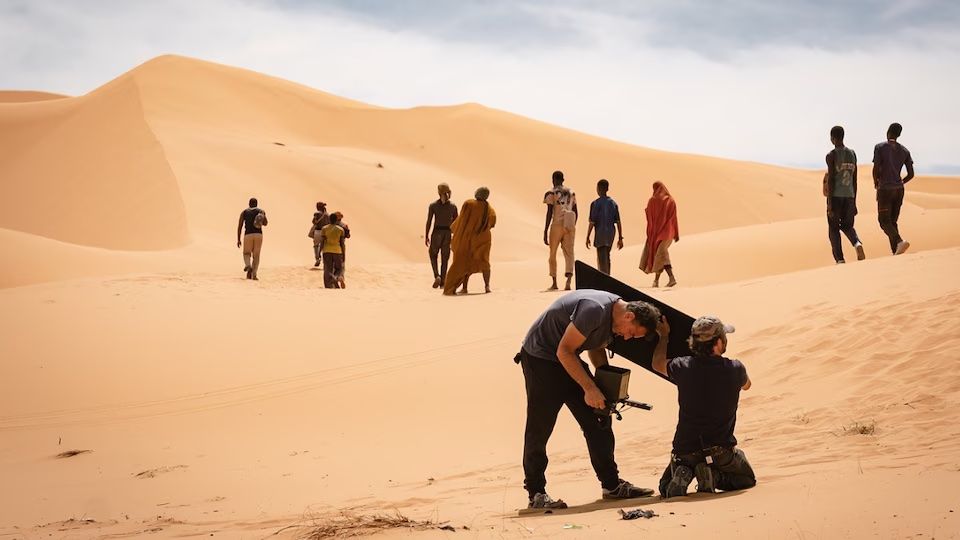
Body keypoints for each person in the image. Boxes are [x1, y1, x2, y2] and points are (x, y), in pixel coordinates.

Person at [516, 290, 661, 509]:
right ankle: (536, 493)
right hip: (541, 359)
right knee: (540, 427)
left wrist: (604, 383)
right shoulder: (595, 309)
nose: (627, 337)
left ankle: (611, 486)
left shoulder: (614, 316)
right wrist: (589, 387)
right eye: (631, 332)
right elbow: (563, 351)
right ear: (629, 316)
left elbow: (596, 345)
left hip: (567, 359)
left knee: (599, 418)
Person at [652, 315, 756, 498]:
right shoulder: (735, 368)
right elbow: (747, 385)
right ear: (717, 343)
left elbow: (658, 364)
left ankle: (686, 470)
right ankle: (713, 476)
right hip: (720, 450)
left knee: (664, 487)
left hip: (685, 450)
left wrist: (664, 337)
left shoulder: (682, 366)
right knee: (745, 479)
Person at [823, 126, 865, 264]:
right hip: (849, 195)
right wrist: (854, 201)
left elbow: (831, 179)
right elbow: (854, 179)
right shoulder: (852, 154)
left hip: (836, 196)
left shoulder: (831, 155)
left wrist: (829, 203)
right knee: (847, 226)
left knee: (833, 229)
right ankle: (857, 243)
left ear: (832, 138)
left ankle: (840, 259)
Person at [444, 187, 496, 295]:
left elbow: (461, 220)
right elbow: (492, 222)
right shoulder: (489, 207)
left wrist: (455, 229)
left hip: (468, 239)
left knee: (464, 261)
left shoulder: (469, 204)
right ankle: (487, 286)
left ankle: (464, 287)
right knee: (484, 262)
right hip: (483, 240)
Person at [873, 123, 914, 255]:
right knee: (892, 222)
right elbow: (911, 174)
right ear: (899, 135)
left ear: (888, 131)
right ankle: (896, 250)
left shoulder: (879, 147)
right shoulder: (905, 151)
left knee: (883, 221)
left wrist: (876, 182)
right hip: (899, 190)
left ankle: (900, 241)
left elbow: (876, 168)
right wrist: (901, 182)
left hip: (885, 189)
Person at [543, 170, 578, 291]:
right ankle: (568, 280)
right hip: (569, 223)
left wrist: (545, 229)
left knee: (552, 253)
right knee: (569, 253)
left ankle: (554, 282)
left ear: (553, 180)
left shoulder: (551, 193)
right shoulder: (571, 192)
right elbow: (575, 211)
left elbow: (549, 212)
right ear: (563, 179)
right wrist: (572, 226)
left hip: (556, 224)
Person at [639, 182, 679, 287]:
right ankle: (656, 281)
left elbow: (649, 216)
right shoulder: (671, 200)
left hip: (660, 233)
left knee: (661, 253)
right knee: (660, 255)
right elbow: (674, 218)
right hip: (668, 232)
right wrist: (676, 233)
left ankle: (671, 278)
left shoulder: (652, 200)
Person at [585, 179, 624, 275]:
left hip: (600, 233)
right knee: (606, 256)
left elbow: (592, 222)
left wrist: (588, 236)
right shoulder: (613, 203)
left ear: (598, 189)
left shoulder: (595, 203)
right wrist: (620, 237)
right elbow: (618, 222)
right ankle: (607, 275)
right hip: (611, 233)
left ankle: (604, 277)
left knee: (602, 257)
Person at [425, 183, 458, 288]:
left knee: (432, 254)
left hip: (437, 233)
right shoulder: (453, 206)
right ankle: (443, 282)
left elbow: (429, 221)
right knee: (445, 258)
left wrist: (426, 235)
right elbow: (456, 223)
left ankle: (436, 275)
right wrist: (455, 236)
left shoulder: (433, 206)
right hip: (447, 233)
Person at [236, 198, 267, 280]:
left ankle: (248, 265)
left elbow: (240, 226)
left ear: (249, 204)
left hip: (248, 235)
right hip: (258, 235)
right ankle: (254, 275)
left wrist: (238, 239)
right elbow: (265, 223)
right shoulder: (261, 211)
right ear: (256, 204)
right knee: (256, 256)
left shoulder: (244, 212)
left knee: (246, 253)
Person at [319, 212, 346, 289]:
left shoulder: (324, 228)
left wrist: (319, 252)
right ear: (336, 220)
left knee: (328, 268)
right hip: (337, 251)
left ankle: (329, 285)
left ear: (329, 219)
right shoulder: (341, 230)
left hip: (327, 251)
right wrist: (343, 253)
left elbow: (322, 241)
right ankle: (337, 278)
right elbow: (342, 243)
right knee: (339, 268)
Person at [333, 211, 350, 288]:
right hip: (341, 246)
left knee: (333, 265)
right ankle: (341, 277)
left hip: (331, 246)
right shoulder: (344, 225)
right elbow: (348, 236)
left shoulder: (331, 225)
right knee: (342, 264)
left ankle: (335, 278)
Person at [311, 202, 330, 267]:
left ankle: (317, 259)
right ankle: (325, 261)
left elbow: (313, 221)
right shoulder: (327, 214)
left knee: (316, 246)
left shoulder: (317, 213)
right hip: (325, 232)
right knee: (324, 247)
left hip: (318, 231)